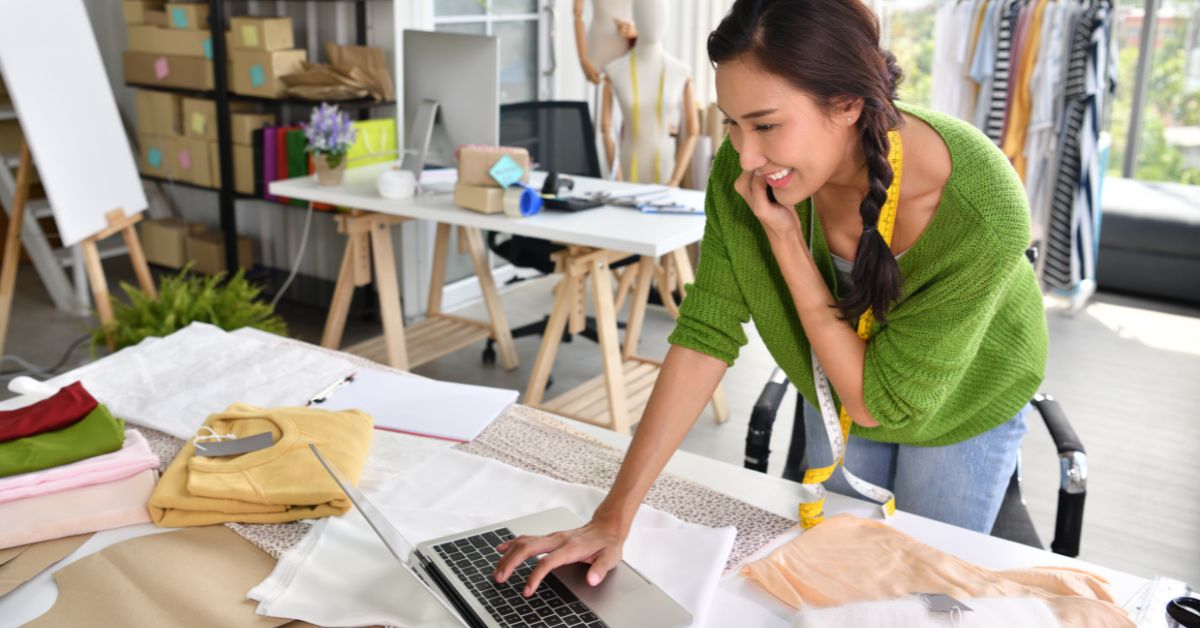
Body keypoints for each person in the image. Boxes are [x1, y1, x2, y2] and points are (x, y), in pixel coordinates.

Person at [495, 0, 1048, 598]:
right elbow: (706, 331)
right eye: (730, 122)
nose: (744, 152)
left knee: (931, 599)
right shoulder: (751, 166)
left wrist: (786, 241)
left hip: (961, 405)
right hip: (838, 382)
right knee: (839, 586)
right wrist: (612, 517)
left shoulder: (980, 208)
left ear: (848, 104)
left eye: (763, 124)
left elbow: (877, 404)